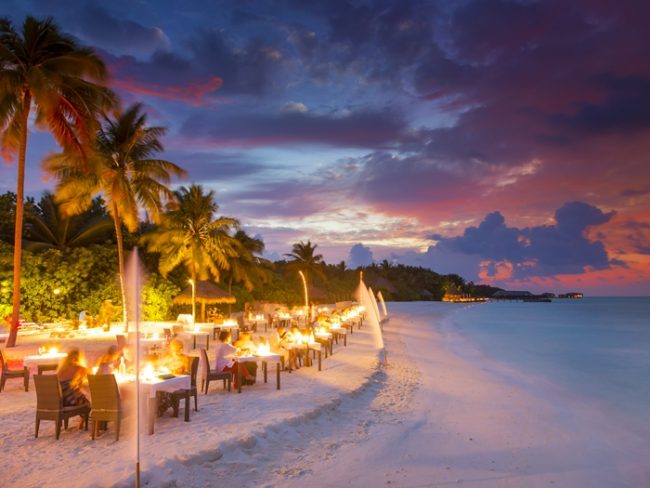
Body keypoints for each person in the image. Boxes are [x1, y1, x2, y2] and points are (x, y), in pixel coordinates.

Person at [156, 339, 188, 416]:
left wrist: (177, 370)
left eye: (177, 349)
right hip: (169, 379)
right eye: (174, 350)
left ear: (181, 349)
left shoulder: (184, 358)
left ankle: (164, 406)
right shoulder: (169, 357)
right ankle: (159, 407)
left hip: (179, 381)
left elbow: (187, 372)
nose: (176, 351)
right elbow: (159, 364)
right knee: (158, 387)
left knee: (166, 388)